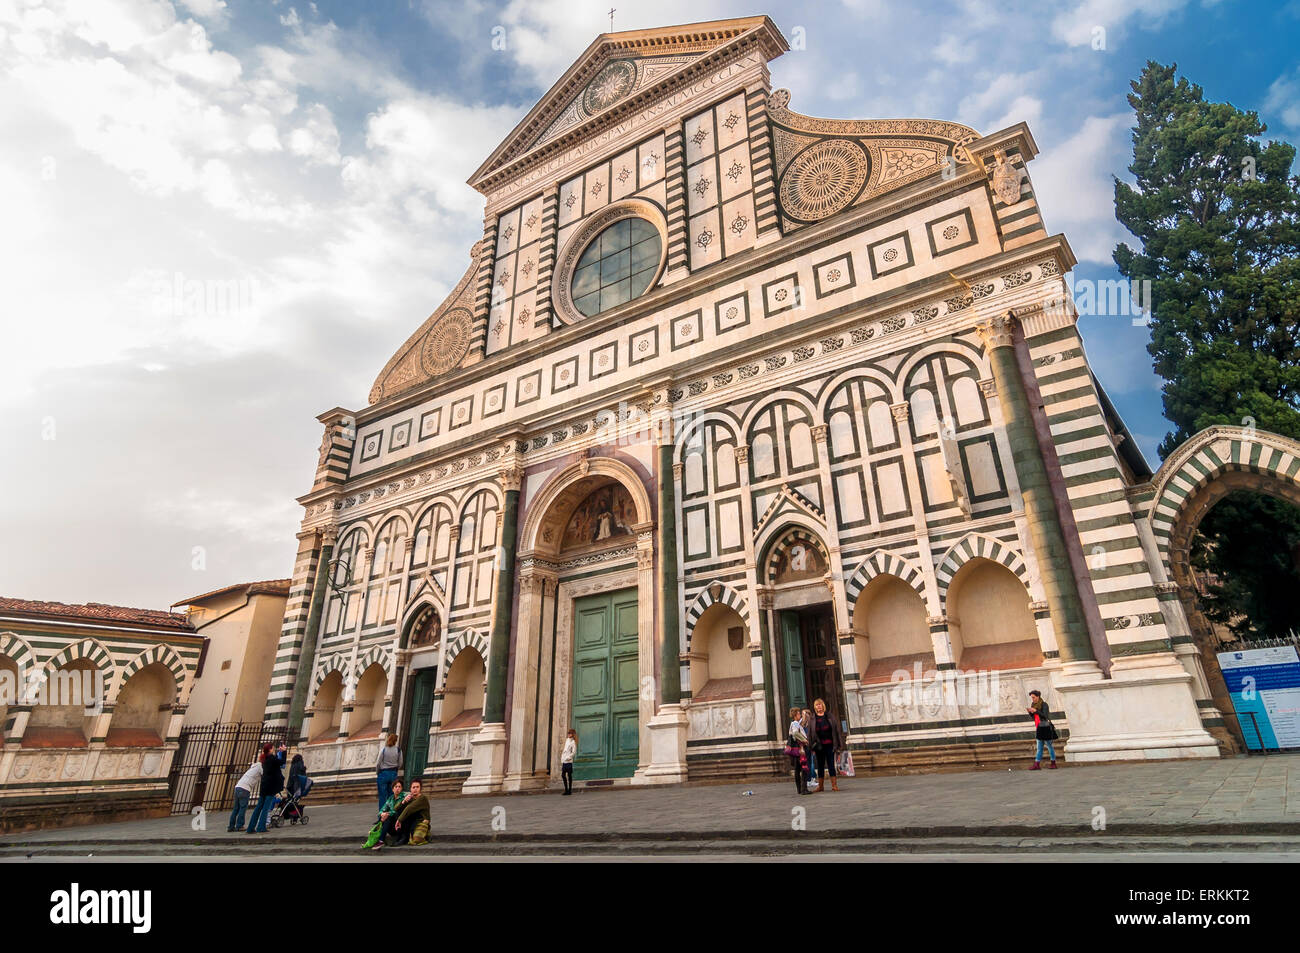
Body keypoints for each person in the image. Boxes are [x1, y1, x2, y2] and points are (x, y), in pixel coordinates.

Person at [373, 778, 428, 849]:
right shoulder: (391, 798)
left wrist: (398, 819)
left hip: (413, 822)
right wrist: (382, 814)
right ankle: (381, 839)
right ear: (392, 789)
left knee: (395, 814)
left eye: (417, 787)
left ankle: (401, 837)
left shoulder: (417, 797)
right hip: (397, 824)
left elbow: (408, 809)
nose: (397, 789)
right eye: (396, 787)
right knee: (385, 817)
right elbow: (391, 809)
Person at [246, 742, 284, 834]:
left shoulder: (264, 759)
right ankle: (261, 827)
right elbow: (281, 762)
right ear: (270, 749)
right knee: (265, 808)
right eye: (273, 748)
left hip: (264, 786)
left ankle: (251, 827)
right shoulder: (271, 758)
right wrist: (283, 752)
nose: (274, 749)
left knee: (259, 807)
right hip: (270, 787)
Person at [811, 697, 845, 792]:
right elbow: (810, 733)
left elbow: (836, 730)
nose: (819, 706)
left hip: (829, 745)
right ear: (815, 707)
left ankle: (834, 785)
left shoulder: (830, 716)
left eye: (820, 704)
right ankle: (820, 786)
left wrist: (839, 743)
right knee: (820, 766)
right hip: (818, 746)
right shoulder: (813, 718)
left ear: (823, 706)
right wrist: (811, 746)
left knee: (831, 765)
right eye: (817, 705)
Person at [228, 757, 261, 832]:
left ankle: (231, 826)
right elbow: (265, 775)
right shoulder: (260, 767)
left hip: (238, 786)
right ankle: (239, 825)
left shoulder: (253, 767)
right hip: (245, 789)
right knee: (243, 808)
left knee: (236, 808)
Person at [1027, 690, 1058, 769]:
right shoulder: (1033, 704)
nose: (1032, 699)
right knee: (1039, 747)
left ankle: (1053, 763)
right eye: (1032, 697)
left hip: (1045, 728)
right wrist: (1030, 712)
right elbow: (1034, 717)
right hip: (1039, 728)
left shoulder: (1044, 704)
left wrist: (1036, 711)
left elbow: (1045, 716)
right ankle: (1037, 764)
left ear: (1038, 696)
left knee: (1049, 746)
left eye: (1033, 697)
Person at [786, 707, 810, 795]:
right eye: (799, 714)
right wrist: (804, 740)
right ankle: (804, 789)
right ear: (795, 715)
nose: (800, 715)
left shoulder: (795, 724)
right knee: (804, 768)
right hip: (801, 749)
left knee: (797, 769)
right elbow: (795, 733)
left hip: (796, 750)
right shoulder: (795, 724)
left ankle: (799, 789)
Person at [376, 733, 401, 811]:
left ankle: (382, 816)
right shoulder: (398, 750)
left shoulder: (383, 750)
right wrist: (396, 769)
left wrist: (378, 772)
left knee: (382, 796)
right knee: (392, 795)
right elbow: (400, 763)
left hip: (383, 774)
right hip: (393, 774)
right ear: (395, 741)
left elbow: (378, 763)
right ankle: (391, 814)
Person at [799, 708, 817, 789]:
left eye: (803, 714)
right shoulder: (801, 724)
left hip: (810, 746)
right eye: (802, 714)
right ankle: (809, 779)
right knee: (808, 763)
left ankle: (811, 779)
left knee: (811, 763)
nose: (802, 716)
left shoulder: (811, 724)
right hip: (805, 747)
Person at [560, 729, 577, 795]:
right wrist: (563, 758)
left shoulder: (573, 742)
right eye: (568, 733)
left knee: (569, 776)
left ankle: (569, 790)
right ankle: (566, 789)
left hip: (569, 761)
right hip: (564, 760)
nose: (569, 734)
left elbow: (574, 752)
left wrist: (568, 757)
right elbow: (565, 749)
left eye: (570, 733)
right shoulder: (567, 740)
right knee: (563, 775)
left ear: (573, 734)